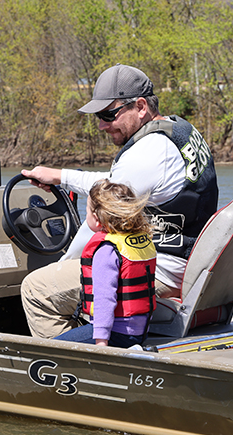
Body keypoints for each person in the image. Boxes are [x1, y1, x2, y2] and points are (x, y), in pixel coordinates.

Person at [21, 64, 219, 339]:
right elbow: (117, 184)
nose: (102, 125)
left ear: (139, 106)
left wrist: (62, 265)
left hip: (159, 270)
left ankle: (71, 372)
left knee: (37, 289)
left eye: (108, 114)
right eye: (98, 117)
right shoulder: (177, 132)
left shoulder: (146, 152)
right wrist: (61, 177)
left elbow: (99, 222)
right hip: (183, 260)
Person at [55, 180, 156, 347]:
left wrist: (101, 341)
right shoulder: (141, 242)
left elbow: (104, 299)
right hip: (139, 332)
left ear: (96, 218)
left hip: (116, 334)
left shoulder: (106, 251)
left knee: (52, 348)